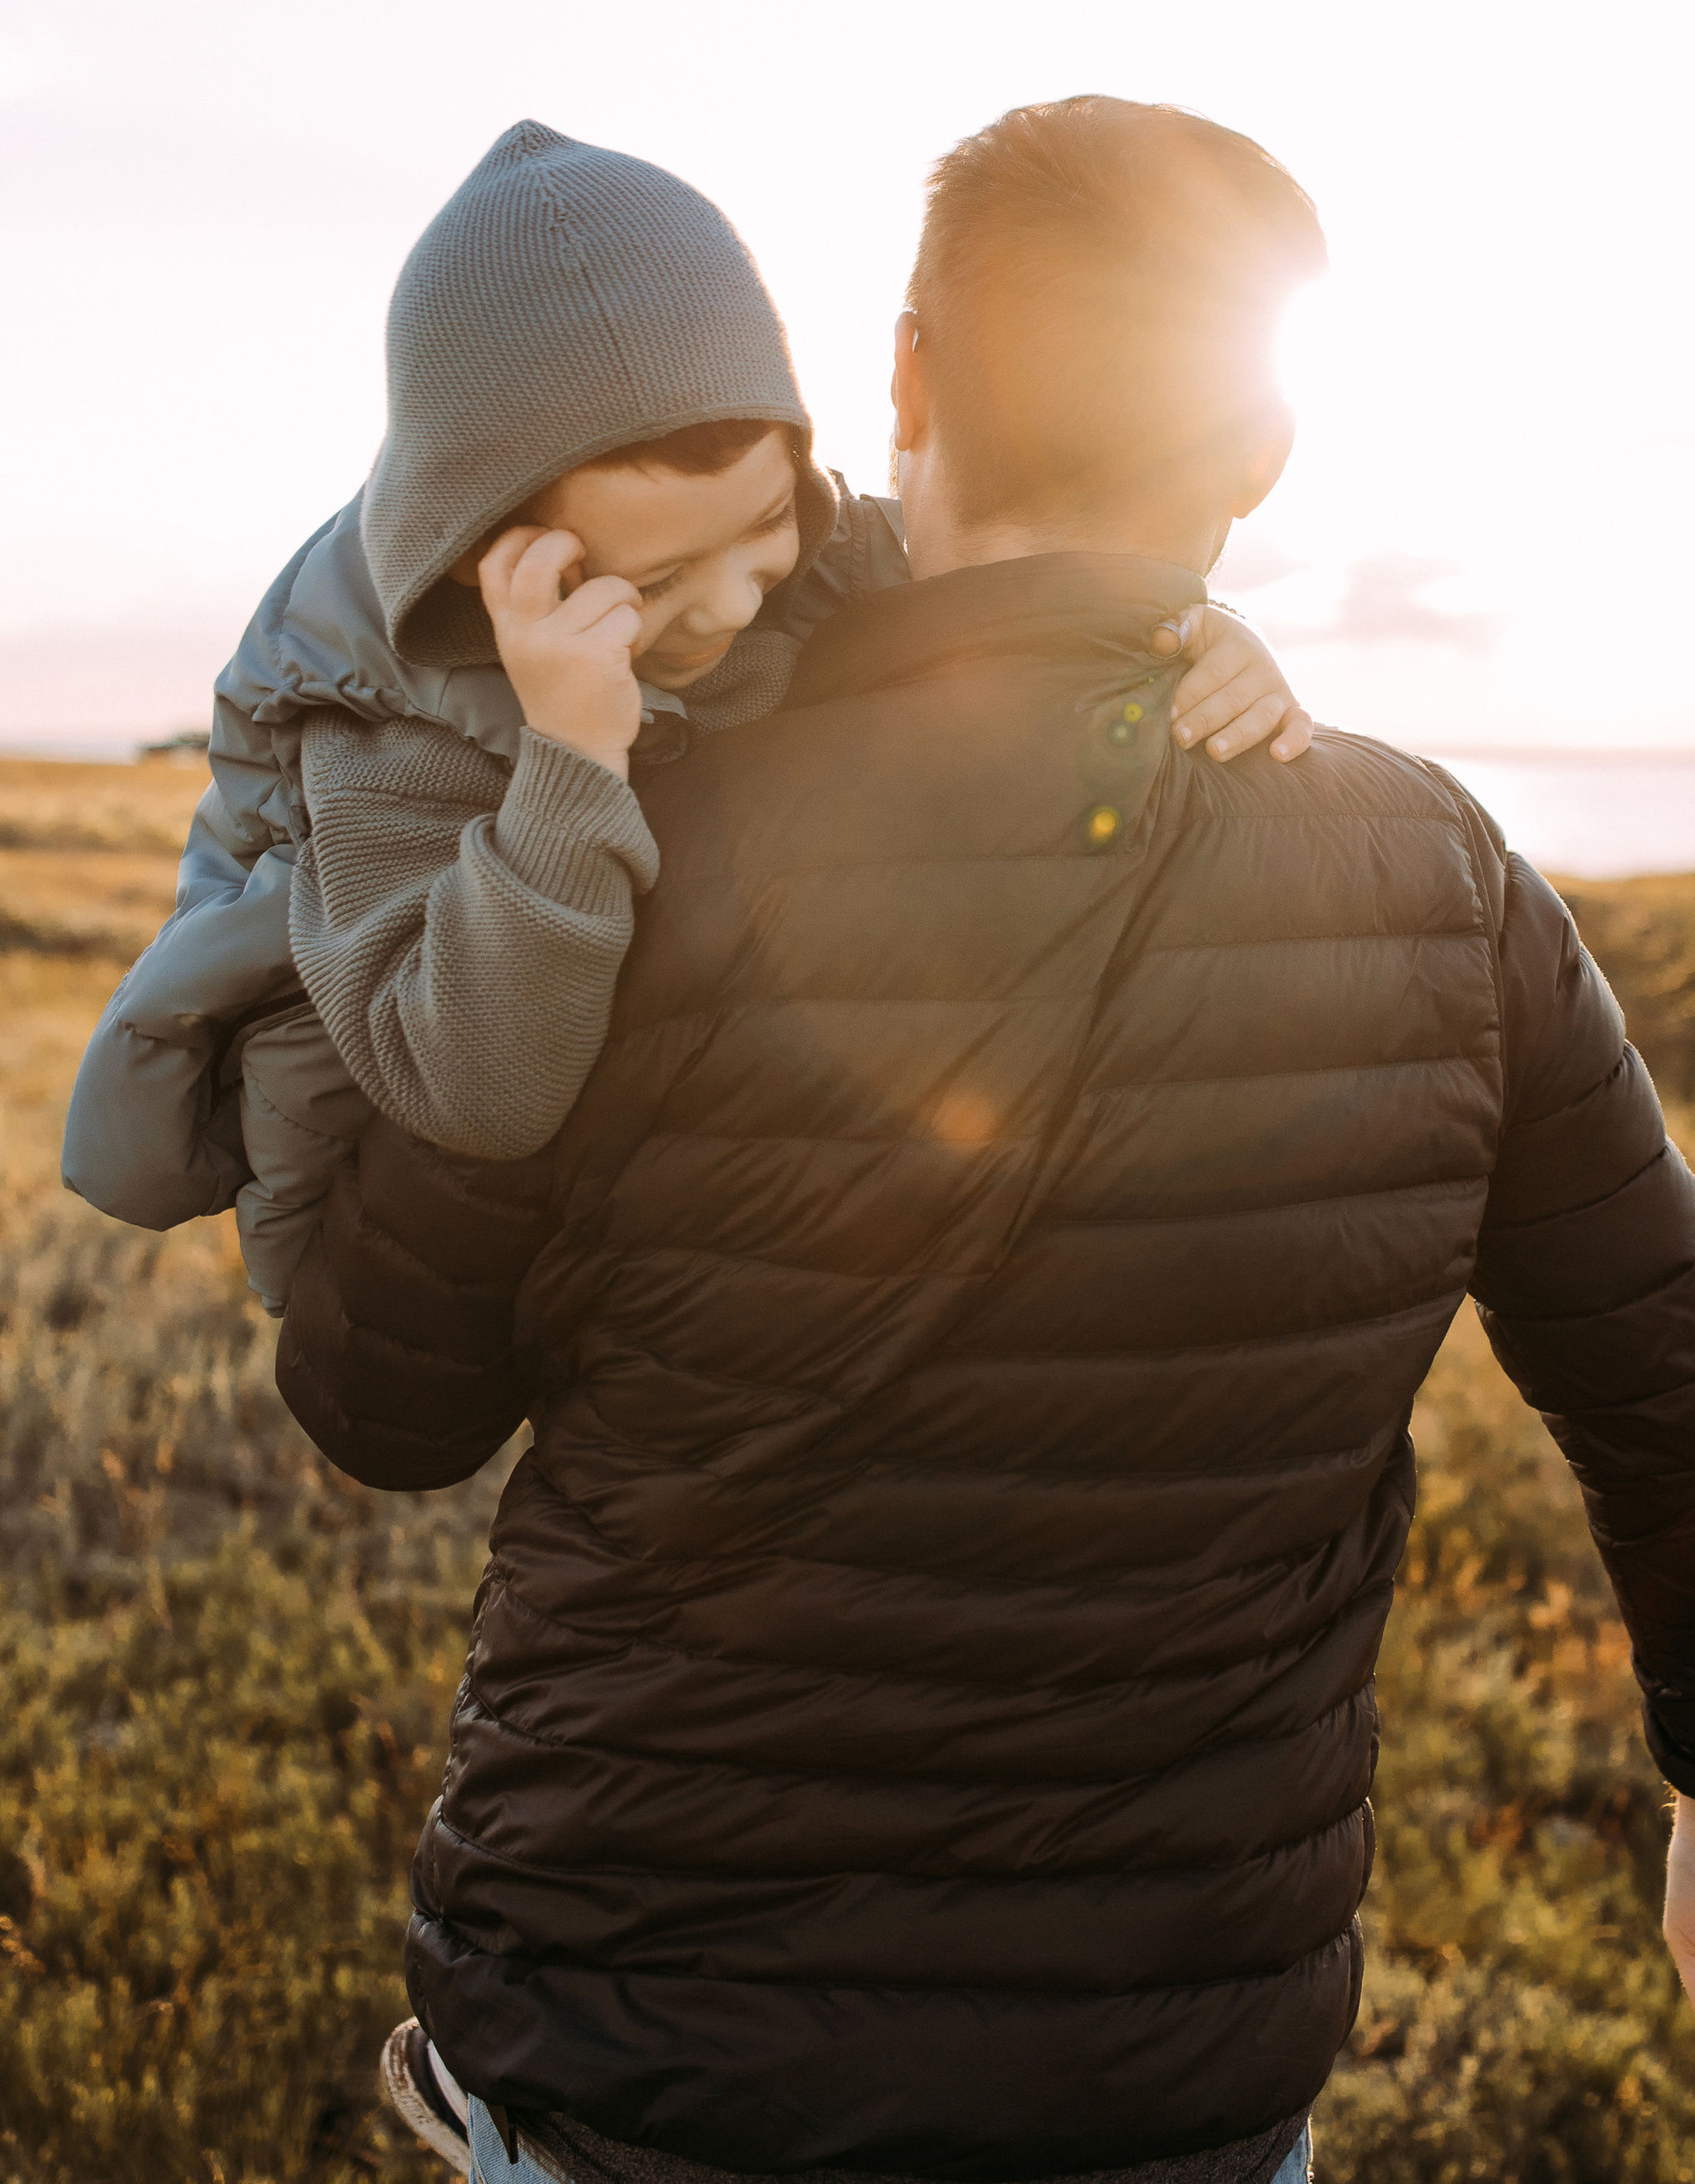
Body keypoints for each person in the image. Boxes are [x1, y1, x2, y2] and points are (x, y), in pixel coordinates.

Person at [278, 95, 1695, 2184]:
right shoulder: (1429, 872)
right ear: (1265, 444)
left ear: (902, 382)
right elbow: (1674, 1383)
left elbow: (378, 1399)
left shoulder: (621, 841)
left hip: (633, 2162)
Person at [60, 118, 1306, 1308]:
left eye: (767, 523)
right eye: (647, 584)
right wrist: (567, 758)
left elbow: (1026, 603)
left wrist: (1196, 635)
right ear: (482, 561)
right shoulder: (394, 739)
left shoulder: (828, 548)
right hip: (422, 1234)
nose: (726, 605)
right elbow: (477, 1094)